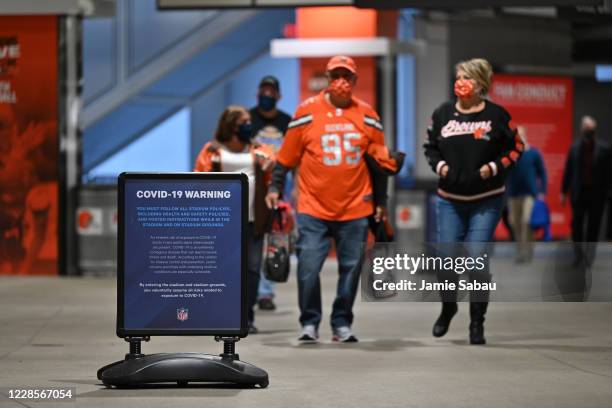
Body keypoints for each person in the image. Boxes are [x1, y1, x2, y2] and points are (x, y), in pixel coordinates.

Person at [265, 56, 400, 343]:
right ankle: (310, 322)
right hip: (313, 206)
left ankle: (341, 322)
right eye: (336, 76)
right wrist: (275, 186)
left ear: (354, 81)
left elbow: (380, 165)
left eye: (347, 77)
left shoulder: (368, 116)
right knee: (308, 267)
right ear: (328, 79)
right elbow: (286, 157)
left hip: (356, 206)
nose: (341, 81)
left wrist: (381, 203)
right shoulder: (306, 111)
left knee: (351, 268)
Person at [423, 58, 524, 345]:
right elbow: (430, 146)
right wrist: (440, 166)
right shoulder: (442, 114)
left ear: (481, 84)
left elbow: (517, 147)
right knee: (446, 260)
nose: (461, 82)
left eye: (467, 77)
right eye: (458, 77)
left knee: (477, 259)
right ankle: (448, 307)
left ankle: (477, 322)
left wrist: (494, 167)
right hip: (449, 201)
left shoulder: (497, 115)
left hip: (486, 201)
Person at [194, 105, 275, 334]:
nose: (249, 126)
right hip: (222, 222)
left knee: (251, 270)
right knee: (222, 271)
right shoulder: (212, 150)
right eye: (244, 122)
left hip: (253, 220)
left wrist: (269, 164)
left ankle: (246, 317)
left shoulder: (258, 149)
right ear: (231, 126)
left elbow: (272, 164)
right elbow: (199, 180)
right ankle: (222, 314)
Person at [249, 76, 292, 311]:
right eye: (262, 90)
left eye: (270, 91)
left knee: (274, 241)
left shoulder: (286, 121)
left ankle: (266, 292)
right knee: (252, 240)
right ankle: (249, 291)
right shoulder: (248, 118)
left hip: (280, 188)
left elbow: (293, 157)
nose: (266, 94)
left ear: (278, 95)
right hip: (253, 189)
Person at [561, 116, 611, 268]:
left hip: (597, 194)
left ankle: (589, 257)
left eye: (591, 128)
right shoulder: (575, 148)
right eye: (586, 127)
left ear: (594, 130)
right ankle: (578, 256)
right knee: (576, 225)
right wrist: (564, 191)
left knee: (593, 227)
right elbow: (569, 171)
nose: (588, 130)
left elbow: (609, 172)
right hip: (579, 193)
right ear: (582, 129)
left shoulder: (604, 149)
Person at [507, 126, 547, 262]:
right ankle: (521, 250)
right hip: (513, 194)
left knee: (526, 221)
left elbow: (542, 173)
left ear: (525, 135)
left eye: (521, 134)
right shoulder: (511, 154)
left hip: (530, 193)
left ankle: (526, 251)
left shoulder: (534, 153)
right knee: (515, 224)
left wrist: (542, 192)